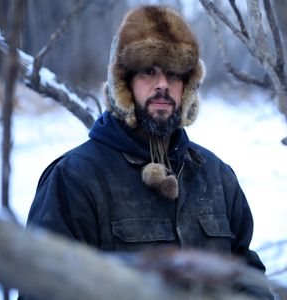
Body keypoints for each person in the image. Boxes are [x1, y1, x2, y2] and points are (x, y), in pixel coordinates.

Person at [23, 5, 273, 299]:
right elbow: (42, 290)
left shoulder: (216, 175)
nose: (163, 85)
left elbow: (248, 278)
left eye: (175, 74)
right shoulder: (75, 178)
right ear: (123, 83)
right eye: (148, 71)